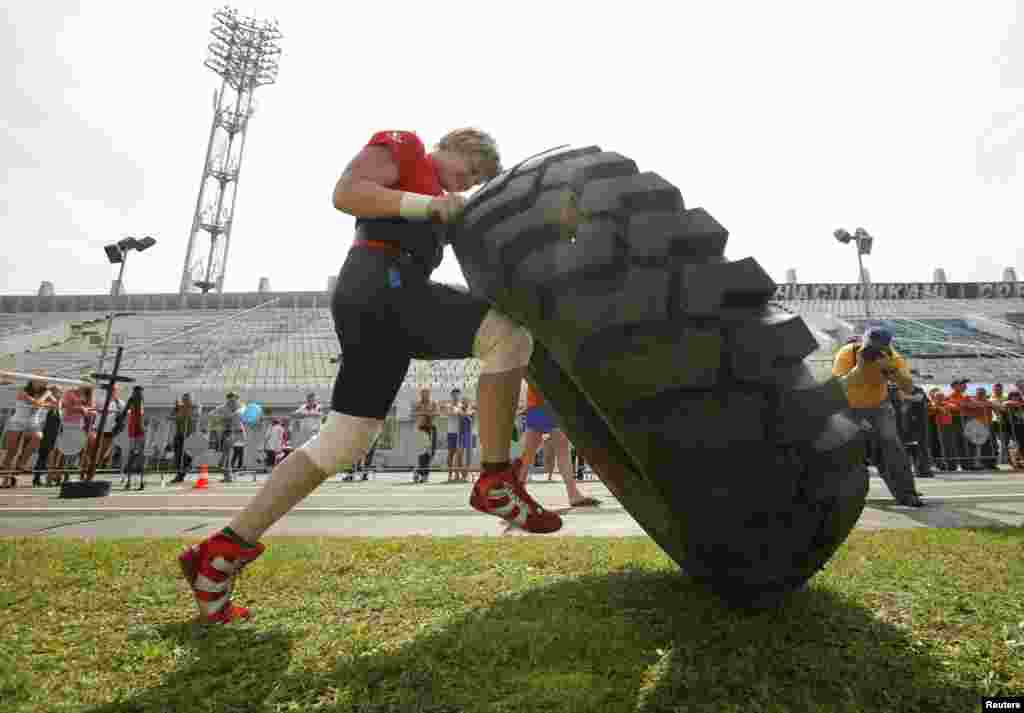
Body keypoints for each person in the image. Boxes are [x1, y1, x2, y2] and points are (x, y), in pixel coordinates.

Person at [178, 127, 562, 624]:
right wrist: (428, 208)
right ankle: (494, 477)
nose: (464, 186)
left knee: (344, 443)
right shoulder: (404, 147)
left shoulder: (445, 201)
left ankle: (221, 553)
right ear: (455, 145)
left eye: (474, 183)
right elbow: (346, 193)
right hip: (381, 281)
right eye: (469, 172)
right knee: (507, 336)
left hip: (386, 298)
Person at [832, 327, 923, 507]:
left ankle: (906, 494)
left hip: (879, 407)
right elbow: (838, 386)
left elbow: (909, 388)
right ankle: (840, 496)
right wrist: (859, 368)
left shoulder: (893, 358)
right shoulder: (847, 353)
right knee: (844, 452)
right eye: (870, 348)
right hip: (848, 408)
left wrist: (892, 371)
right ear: (862, 342)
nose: (873, 352)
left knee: (891, 448)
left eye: (879, 348)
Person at [518, 382, 601, 507]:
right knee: (562, 451)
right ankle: (573, 494)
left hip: (535, 405)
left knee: (528, 453)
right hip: (552, 403)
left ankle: (518, 492)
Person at [1, 374, 57, 487]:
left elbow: (56, 405)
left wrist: (47, 400)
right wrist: (47, 396)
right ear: (32, 381)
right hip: (17, 421)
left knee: (38, 437)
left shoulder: (45, 393)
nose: (42, 383)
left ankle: (21, 462)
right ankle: (6, 479)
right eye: (39, 381)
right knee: (11, 452)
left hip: (33, 423)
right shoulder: (23, 390)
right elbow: (36, 403)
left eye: (44, 381)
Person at [33, 385, 63, 487]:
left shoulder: (58, 405)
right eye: (58, 392)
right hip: (47, 433)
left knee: (47, 456)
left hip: (55, 434)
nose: (60, 394)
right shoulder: (49, 404)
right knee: (43, 456)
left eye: (60, 392)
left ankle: (51, 477)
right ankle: (37, 478)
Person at [170, 394, 198, 484]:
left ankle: (185, 470)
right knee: (178, 456)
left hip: (190, 435)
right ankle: (179, 475)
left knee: (187, 456)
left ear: (191, 400)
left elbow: (195, 416)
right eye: (184, 400)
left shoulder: (195, 407)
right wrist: (175, 409)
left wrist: (184, 414)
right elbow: (171, 417)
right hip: (179, 435)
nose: (185, 401)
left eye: (187, 400)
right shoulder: (179, 408)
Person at [440, 388, 465, 482]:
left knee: (460, 455)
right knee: (450, 454)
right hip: (451, 433)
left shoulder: (462, 405)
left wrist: (459, 413)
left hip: (460, 433)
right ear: (451, 395)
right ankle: (450, 474)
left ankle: (458, 475)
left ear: (459, 395)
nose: (456, 396)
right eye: (454, 395)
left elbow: (464, 414)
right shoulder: (448, 405)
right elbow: (446, 413)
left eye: (457, 395)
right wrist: (454, 412)